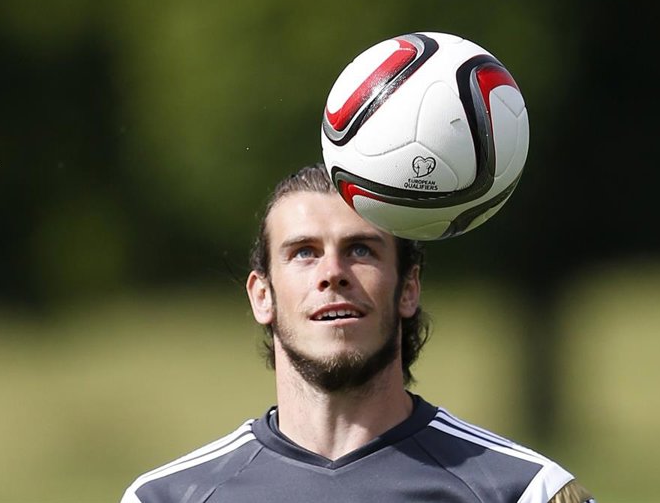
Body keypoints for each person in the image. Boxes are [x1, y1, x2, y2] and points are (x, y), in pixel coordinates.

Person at [120, 163, 594, 503]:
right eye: (304, 252)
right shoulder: (167, 497)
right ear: (262, 296)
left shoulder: (523, 491)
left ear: (408, 288)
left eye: (361, 250)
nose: (332, 273)